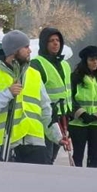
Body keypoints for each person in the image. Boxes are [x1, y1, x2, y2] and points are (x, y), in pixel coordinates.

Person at [0, 30, 61, 163]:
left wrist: (58, 137)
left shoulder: (34, 74)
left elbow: (46, 110)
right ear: (14, 50)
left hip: (36, 145)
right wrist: (7, 94)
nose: (30, 51)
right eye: (26, 47)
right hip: (7, 146)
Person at [32, 28, 73, 162]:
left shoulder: (65, 65)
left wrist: (69, 113)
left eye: (58, 40)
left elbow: (68, 92)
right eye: (51, 41)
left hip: (63, 117)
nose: (56, 43)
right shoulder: (37, 64)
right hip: (47, 118)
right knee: (46, 156)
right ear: (44, 43)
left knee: (53, 156)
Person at [69, 45, 97, 167]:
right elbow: (69, 98)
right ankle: (75, 179)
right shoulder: (75, 77)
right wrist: (81, 113)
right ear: (85, 61)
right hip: (78, 123)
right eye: (92, 59)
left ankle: (92, 181)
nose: (95, 62)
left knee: (94, 155)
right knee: (78, 155)